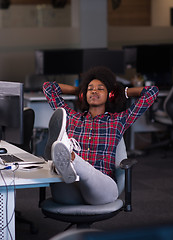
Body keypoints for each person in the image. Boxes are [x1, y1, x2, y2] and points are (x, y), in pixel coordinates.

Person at [43, 66, 159, 205]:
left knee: (86, 172)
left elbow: (152, 92)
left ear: (110, 95)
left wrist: (121, 92)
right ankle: (66, 162)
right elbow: (48, 88)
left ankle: (72, 160)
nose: (94, 91)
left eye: (100, 88)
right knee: (58, 178)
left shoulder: (118, 120)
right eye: (90, 88)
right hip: (73, 187)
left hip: (103, 190)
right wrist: (80, 90)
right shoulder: (72, 118)